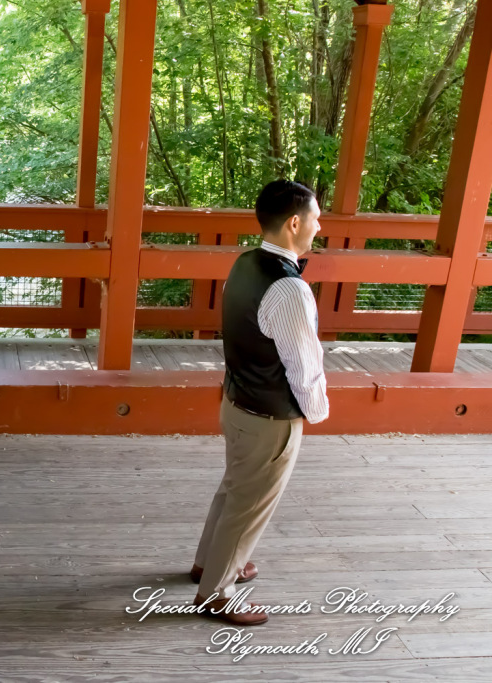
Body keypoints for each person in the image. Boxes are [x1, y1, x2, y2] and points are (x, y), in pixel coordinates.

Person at [190, 179, 329, 626]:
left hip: (236, 400)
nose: (320, 225)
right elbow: (303, 364)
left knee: (234, 488)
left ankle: (208, 564)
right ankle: (217, 592)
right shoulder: (289, 289)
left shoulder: (245, 262)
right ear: (295, 223)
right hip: (269, 416)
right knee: (249, 504)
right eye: (316, 218)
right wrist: (316, 410)